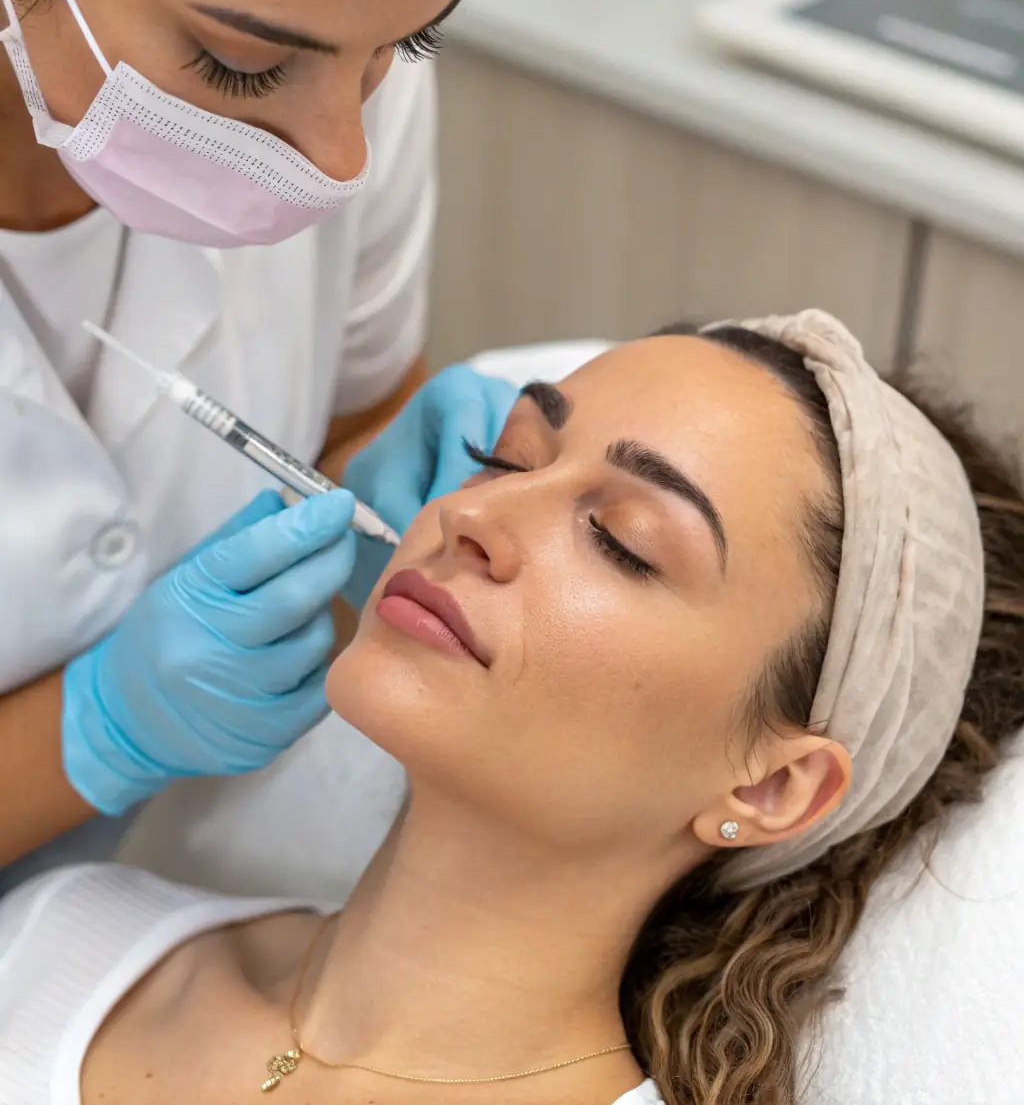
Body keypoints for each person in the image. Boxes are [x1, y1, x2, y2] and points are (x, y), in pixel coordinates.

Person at [3, 310, 1022, 1105]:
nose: (471, 515)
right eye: (511, 457)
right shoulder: (58, 932)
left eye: (621, 540)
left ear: (769, 783)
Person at [0, 0, 530, 885]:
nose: (341, 155)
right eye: (241, 67)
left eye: (409, 39)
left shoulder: (335, 25)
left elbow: (356, 413)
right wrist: (91, 733)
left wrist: (379, 473)